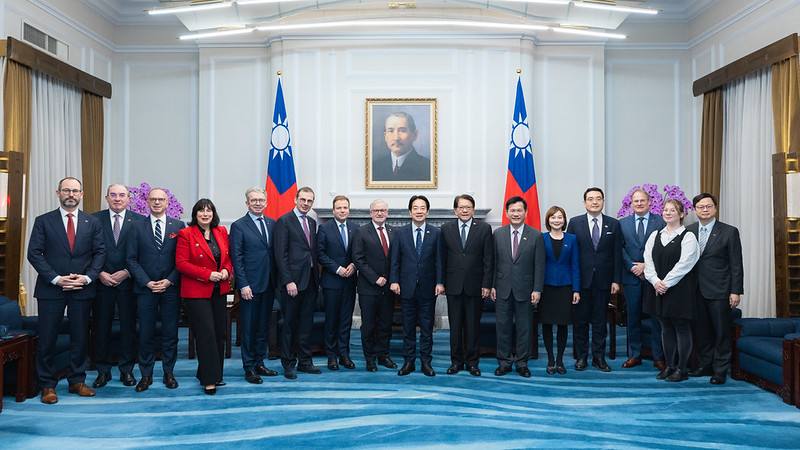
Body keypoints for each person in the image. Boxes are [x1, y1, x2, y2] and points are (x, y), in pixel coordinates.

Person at [27, 177, 105, 404]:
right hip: (51, 289)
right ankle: (47, 385)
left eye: (75, 191)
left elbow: (100, 253)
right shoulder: (43, 221)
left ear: (81, 194)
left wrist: (87, 278)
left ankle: (77, 381)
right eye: (66, 190)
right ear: (58, 193)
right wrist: (56, 279)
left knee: (80, 337)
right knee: (47, 338)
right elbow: (34, 253)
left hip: (81, 288)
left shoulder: (92, 222)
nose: (71, 194)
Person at [127, 187, 185, 392]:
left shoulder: (178, 226)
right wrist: (147, 282)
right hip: (146, 289)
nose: (157, 202)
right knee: (145, 333)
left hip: (170, 289)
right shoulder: (136, 226)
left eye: (161, 199)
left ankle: (169, 372)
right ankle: (146, 375)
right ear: (147, 202)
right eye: (153, 199)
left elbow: (182, 260)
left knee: (170, 333)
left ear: (168, 202)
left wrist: (169, 281)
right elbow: (131, 259)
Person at [175, 199, 233, 395]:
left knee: (219, 333)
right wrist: (207, 274)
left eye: (209, 210)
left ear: (213, 213)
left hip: (219, 290)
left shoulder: (221, 231)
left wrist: (226, 270)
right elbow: (181, 263)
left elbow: (228, 258)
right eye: (201, 211)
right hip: (197, 291)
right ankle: (209, 380)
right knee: (206, 334)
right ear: (195, 214)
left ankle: (214, 374)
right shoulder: (186, 234)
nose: (205, 214)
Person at [687, 193, 744, 385]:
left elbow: (736, 264)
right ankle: (705, 365)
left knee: (721, 332)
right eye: (700, 207)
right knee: (701, 331)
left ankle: (720, 370)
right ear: (695, 210)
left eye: (708, 206)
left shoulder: (729, 231)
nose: (705, 209)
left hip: (720, 290)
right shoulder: (689, 231)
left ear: (715, 208)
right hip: (695, 290)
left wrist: (735, 291)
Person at [91, 184, 144, 389]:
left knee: (128, 328)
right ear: (106, 198)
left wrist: (128, 272)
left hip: (128, 283)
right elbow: (86, 250)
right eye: (113, 195)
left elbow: (144, 252)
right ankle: (102, 371)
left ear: (129, 198)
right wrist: (99, 273)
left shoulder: (139, 221)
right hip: (101, 282)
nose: (117, 199)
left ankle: (127, 369)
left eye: (122, 195)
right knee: (100, 328)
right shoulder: (93, 220)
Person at [643, 199, 699, 382]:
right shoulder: (655, 235)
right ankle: (670, 366)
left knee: (681, 327)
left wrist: (665, 283)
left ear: (681, 214)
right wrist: (655, 281)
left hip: (679, 289)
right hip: (657, 288)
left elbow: (686, 263)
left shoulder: (688, 237)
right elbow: (648, 260)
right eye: (665, 210)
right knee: (665, 327)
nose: (667, 213)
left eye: (672, 210)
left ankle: (682, 369)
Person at [566, 187, 622, 372]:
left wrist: (616, 280)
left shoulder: (613, 224)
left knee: (600, 322)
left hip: (604, 281)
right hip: (581, 281)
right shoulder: (575, 223)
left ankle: (599, 357)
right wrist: (573, 283)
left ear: (603, 201)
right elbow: (570, 254)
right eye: (590, 199)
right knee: (580, 321)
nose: (595, 202)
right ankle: (581, 357)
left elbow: (617, 254)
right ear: (585, 203)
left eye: (598, 198)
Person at [390, 195, 444, 377]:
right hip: (406, 288)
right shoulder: (400, 233)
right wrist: (394, 280)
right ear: (410, 211)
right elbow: (395, 260)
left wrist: (440, 282)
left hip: (428, 288)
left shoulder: (436, 233)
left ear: (427, 212)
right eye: (415, 208)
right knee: (408, 328)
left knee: (427, 328)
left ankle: (426, 362)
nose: (419, 211)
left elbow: (439, 261)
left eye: (422, 208)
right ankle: (409, 362)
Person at [491, 196, 545, 378]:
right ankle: (504, 362)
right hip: (502, 288)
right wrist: (492, 285)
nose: (516, 213)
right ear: (507, 213)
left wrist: (537, 289)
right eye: (512, 210)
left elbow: (539, 265)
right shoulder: (498, 234)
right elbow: (493, 262)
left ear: (525, 212)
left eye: (519, 210)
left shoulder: (536, 235)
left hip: (526, 290)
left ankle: (522, 363)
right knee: (503, 328)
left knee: (524, 329)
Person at [440, 194, 493, 377]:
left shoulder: (484, 229)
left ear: (473, 209)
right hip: (453, 285)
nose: (464, 210)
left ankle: (472, 362)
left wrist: (487, 284)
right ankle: (456, 362)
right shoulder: (446, 229)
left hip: (475, 286)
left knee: (472, 327)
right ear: (455, 210)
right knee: (455, 327)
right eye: (461, 207)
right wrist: (441, 282)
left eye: (468, 207)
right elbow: (442, 258)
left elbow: (488, 259)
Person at [229, 187, 278, 384]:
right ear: (247, 203)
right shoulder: (239, 226)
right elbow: (237, 258)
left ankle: (259, 363)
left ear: (266, 202)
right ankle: (248, 367)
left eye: (261, 200)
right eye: (254, 200)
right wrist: (243, 284)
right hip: (250, 286)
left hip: (269, 284)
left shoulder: (272, 223)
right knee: (249, 328)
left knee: (262, 327)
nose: (258, 203)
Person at [273, 186, 321, 379]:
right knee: (289, 325)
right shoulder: (284, 221)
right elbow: (280, 254)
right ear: (295, 199)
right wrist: (288, 281)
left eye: (310, 201)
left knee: (306, 324)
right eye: (303, 199)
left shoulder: (312, 222)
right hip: (292, 283)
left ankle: (305, 362)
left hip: (310, 281)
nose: (306, 203)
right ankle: (288, 363)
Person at [619, 188, 666, 371]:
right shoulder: (622, 224)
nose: (639, 203)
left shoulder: (660, 221)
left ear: (649, 202)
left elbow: (664, 248)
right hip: (631, 277)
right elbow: (620, 248)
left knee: (656, 318)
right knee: (633, 317)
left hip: (653, 278)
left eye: (642, 200)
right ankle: (634, 355)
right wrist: (632, 266)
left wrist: (646, 266)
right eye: (635, 201)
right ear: (631, 204)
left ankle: (658, 356)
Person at [351, 199, 397, 372]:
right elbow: (358, 259)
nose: (379, 213)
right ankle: (370, 358)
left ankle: (383, 355)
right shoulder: (361, 232)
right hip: (368, 288)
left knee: (385, 324)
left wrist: (392, 279)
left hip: (388, 288)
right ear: (370, 213)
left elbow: (396, 259)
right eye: (376, 210)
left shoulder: (394, 232)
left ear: (387, 213)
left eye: (383, 210)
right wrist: (375, 278)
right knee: (369, 325)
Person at [317, 195, 358, 371]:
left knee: (346, 321)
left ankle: (344, 354)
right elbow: (320, 254)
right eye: (339, 208)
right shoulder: (324, 228)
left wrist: (354, 265)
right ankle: (331, 356)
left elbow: (358, 253)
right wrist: (337, 269)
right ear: (333, 210)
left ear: (349, 210)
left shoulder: (355, 228)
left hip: (350, 282)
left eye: (345, 207)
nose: (342, 210)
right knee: (332, 321)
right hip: (332, 282)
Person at [539, 206, 580, 375]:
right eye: (553, 217)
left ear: (564, 220)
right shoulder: (541, 238)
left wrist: (576, 289)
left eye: (559, 217)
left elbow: (575, 265)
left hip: (565, 287)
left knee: (563, 324)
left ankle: (560, 360)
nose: (556, 220)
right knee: (547, 324)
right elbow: (538, 264)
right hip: (546, 287)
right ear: (548, 220)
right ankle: (550, 359)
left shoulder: (572, 239)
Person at [372, 112, 431, 182]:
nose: (396, 138)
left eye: (402, 131)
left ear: (415, 135)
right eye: (391, 131)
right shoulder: (375, 166)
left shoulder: (428, 168)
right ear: (385, 136)